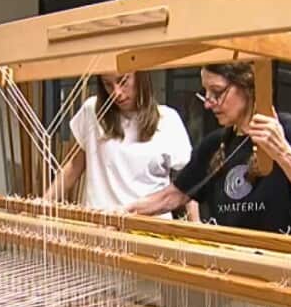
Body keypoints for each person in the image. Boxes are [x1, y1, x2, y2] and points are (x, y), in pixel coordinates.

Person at [126, 62, 291, 232]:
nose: (208, 104)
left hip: (280, 273)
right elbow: (173, 196)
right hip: (229, 270)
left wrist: (281, 151)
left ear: (246, 86)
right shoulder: (214, 145)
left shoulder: (288, 133)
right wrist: (122, 213)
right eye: (205, 94)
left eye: (217, 93)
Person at [44, 72, 193, 216]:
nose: (116, 93)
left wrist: (196, 226)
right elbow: (73, 167)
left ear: (140, 75)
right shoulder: (92, 112)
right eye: (108, 84)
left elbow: (189, 184)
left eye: (123, 81)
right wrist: (43, 204)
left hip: (151, 231)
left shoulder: (168, 120)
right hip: (101, 229)